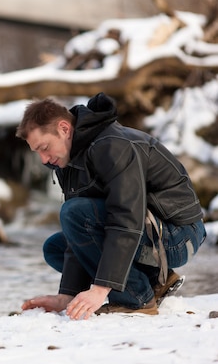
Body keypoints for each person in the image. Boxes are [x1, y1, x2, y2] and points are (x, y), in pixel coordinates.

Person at [16, 93, 206, 320]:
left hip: (180, 237)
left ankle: (136, 299)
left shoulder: (112, 146)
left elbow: (126, 216)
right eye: (37, 152)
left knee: (74, 213)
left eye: (44, 147)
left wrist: (101, 288)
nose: (44, 159)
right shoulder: (70, 159)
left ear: (64, 129)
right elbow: (79, 230)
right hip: (151, 233)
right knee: (56, 247)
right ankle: (155, 281)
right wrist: (67, 295)